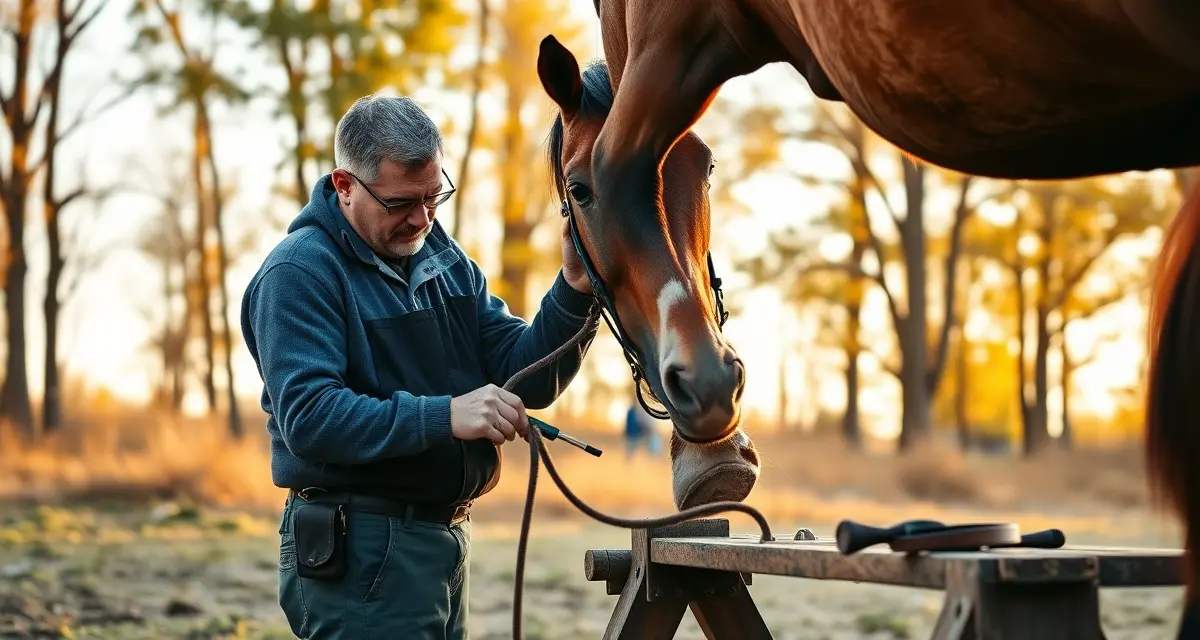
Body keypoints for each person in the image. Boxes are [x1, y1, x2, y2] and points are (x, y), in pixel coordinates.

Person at [239, 93, 598, 639]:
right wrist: (446, 415)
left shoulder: (442, 258)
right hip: (361, 548)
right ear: (344, 186)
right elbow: (310, 418)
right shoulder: (299, 273)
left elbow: (525, 373)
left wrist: (575, 287)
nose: (421, 219)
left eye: (434, 198)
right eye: (401, 203)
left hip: (444, 541)